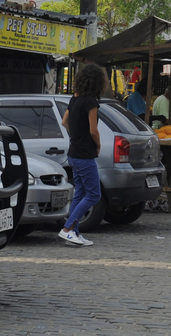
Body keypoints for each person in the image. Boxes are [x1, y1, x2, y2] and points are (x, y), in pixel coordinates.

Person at [58, 63, 107, 247]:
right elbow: (94, 130)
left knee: (80, 193)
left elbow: (64, 121)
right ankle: (67, 229)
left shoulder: (75, 99)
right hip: (85, 155)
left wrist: (76, 136)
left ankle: (74, 233)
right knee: (94, 194)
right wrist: (98, 144)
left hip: (73, 153)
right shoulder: (91, 102)